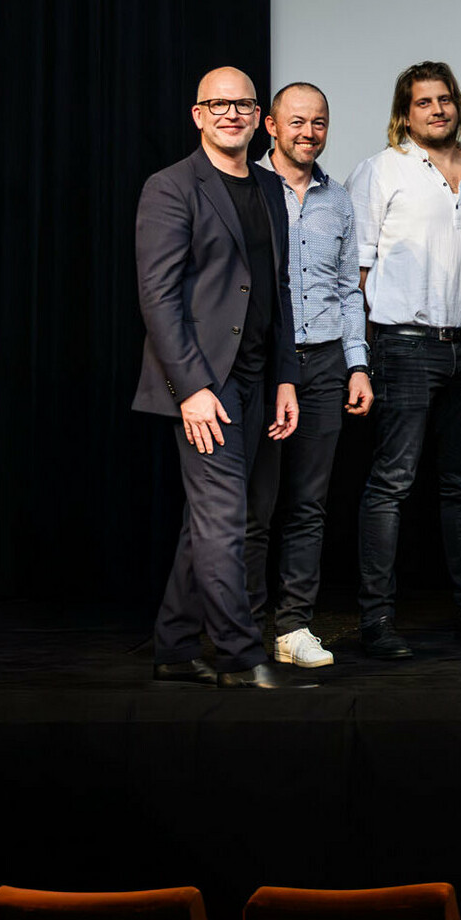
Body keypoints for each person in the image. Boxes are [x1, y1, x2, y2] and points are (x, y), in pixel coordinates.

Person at [137, 67, 306, 689]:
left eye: (242, 104)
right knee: (224, 516)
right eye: (219, 104)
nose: (231, 113)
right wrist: (192, 388)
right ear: (198, 114)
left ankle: (177, 647)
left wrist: (287, 378)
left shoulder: (268, 187)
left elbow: (280, 291)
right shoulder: (171, 187)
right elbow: (157, 297)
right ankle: (239, 655)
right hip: (207, 382)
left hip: (262, 380)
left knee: (219, 517)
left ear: (257, 114)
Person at [347, 61, 461, 661]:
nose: (436, 110)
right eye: (423, 102)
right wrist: (358, 358)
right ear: (404, 114)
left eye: (445, 100)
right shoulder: (382, 171)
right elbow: (352, 273)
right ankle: (376, 619)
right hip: (404, 344)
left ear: (457, 104)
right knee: (391, 484)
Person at [248, 83, 372, 670]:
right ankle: (244, 626)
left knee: (309, 504)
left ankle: (292, 626)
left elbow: (350, 289)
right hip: (261, 365)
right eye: (296, 122)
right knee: (256, 502)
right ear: (270, 126)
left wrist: (357, 364)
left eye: (319, 122)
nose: (309, 132)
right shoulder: (246, 190)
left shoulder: (339, 199)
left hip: (323, 363)